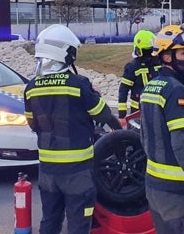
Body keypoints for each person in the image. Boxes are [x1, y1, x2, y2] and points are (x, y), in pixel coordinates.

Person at [23, 24, 122, 234]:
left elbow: (33, 124)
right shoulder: (78, 84)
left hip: (47, 170)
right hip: (77, 172)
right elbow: (102, 115)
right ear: (66, 53)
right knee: (78, 225)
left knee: (49, 221)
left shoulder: (31, 88)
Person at [139, 25, 184, 234]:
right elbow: (181, 144)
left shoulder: (150, 87)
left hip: (154, 189)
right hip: (179, 193)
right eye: (183, 53)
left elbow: (144, 137)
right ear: (167, 57)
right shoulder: (176, 91)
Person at [117, 29, 162, 118]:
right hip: (139, 111)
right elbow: (123, 90)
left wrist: (122, 115)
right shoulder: (133, 67)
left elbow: (123, 91)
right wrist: (122, 115)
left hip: (156, 109)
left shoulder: (159, 62)